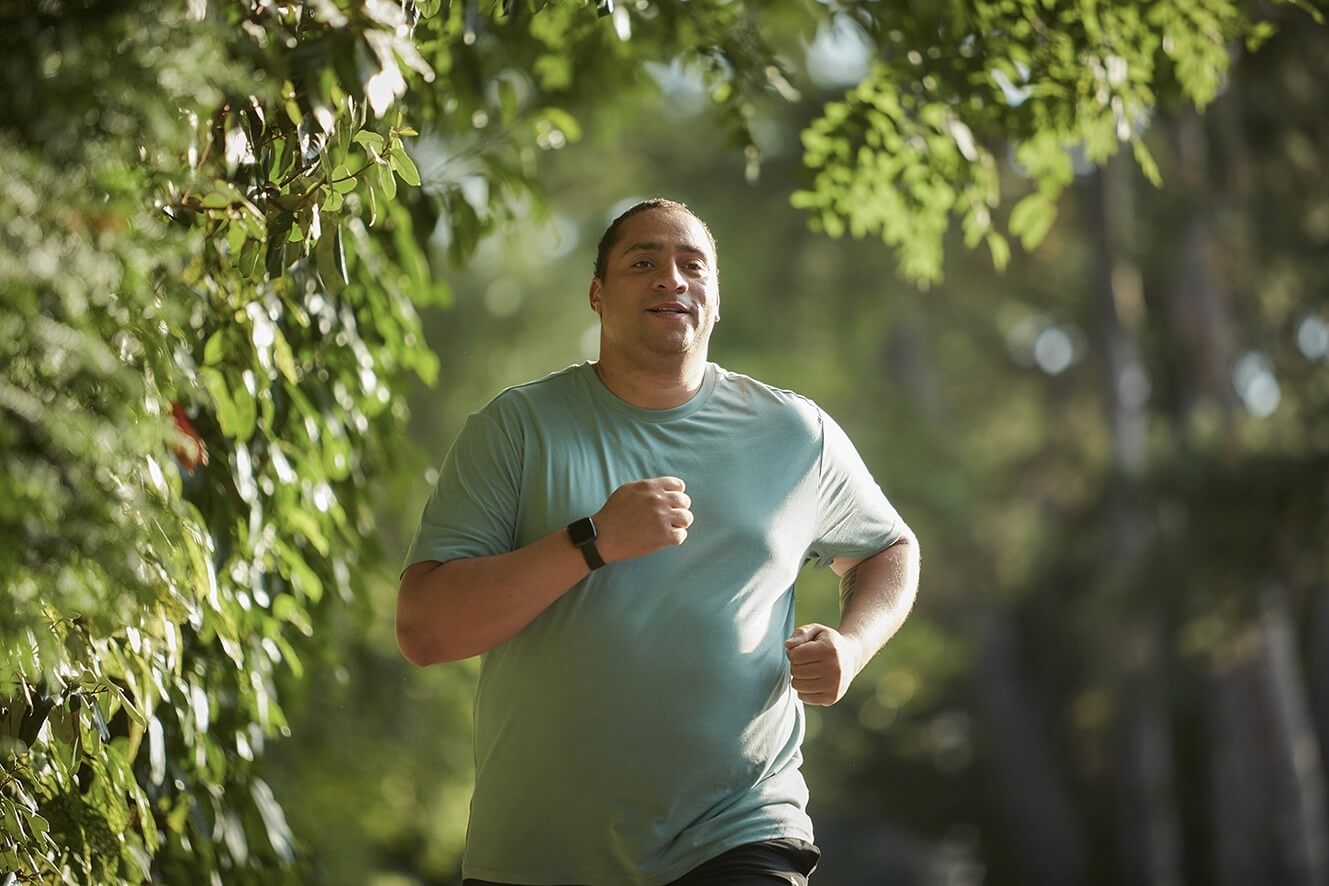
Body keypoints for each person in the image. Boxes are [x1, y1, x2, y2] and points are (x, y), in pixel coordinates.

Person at [396, 198, 921, 886]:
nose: (670, 279)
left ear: (714, 300)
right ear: (597, 295)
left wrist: (852, 648)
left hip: (739, 830)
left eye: (690, 265)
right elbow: (426, 631)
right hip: (538, 852)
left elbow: (888, 548)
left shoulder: (795, 434)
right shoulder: (515, 429)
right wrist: (591, 540)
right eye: (642, 262)